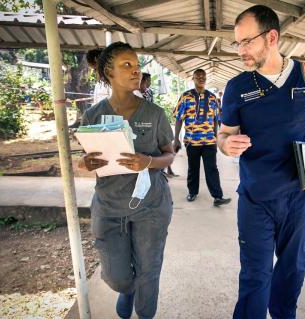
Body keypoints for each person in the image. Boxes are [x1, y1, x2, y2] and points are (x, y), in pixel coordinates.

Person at [217, 5, 305, 319]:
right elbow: (223, 134)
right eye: (237, 43)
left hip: (300, 195)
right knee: (255, 276)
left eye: (247, 42)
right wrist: (227, 144)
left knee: (291, 272)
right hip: (256, 198)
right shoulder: (237, 87)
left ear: (272, 37)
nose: (240, 50)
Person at [78, 42, 175, 319]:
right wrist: (85, 163)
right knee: (118, 275)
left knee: (149, 269)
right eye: (127, 65)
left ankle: (145, 314)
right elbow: (87, 158)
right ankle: (126, 289)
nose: (136, 71)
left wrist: (150, 162)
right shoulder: (93, 115)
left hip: (151, 206)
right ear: (108, 72)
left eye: (137, 65)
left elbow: (169, 156)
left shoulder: (154, 114)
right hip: (109, 207)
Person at [173, 69, 231, 206]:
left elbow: (216, 120)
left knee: (212, 168)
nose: (201, 79)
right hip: (192, 141)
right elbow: (179, 118)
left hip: (209, 141)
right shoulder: (185, 96)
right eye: (198, 76)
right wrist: (176, 138)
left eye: (203, 77)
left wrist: (217, 138)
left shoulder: (212, 98)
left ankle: (218, 197)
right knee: (193, 168)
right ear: (193, 79)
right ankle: (192, 192)